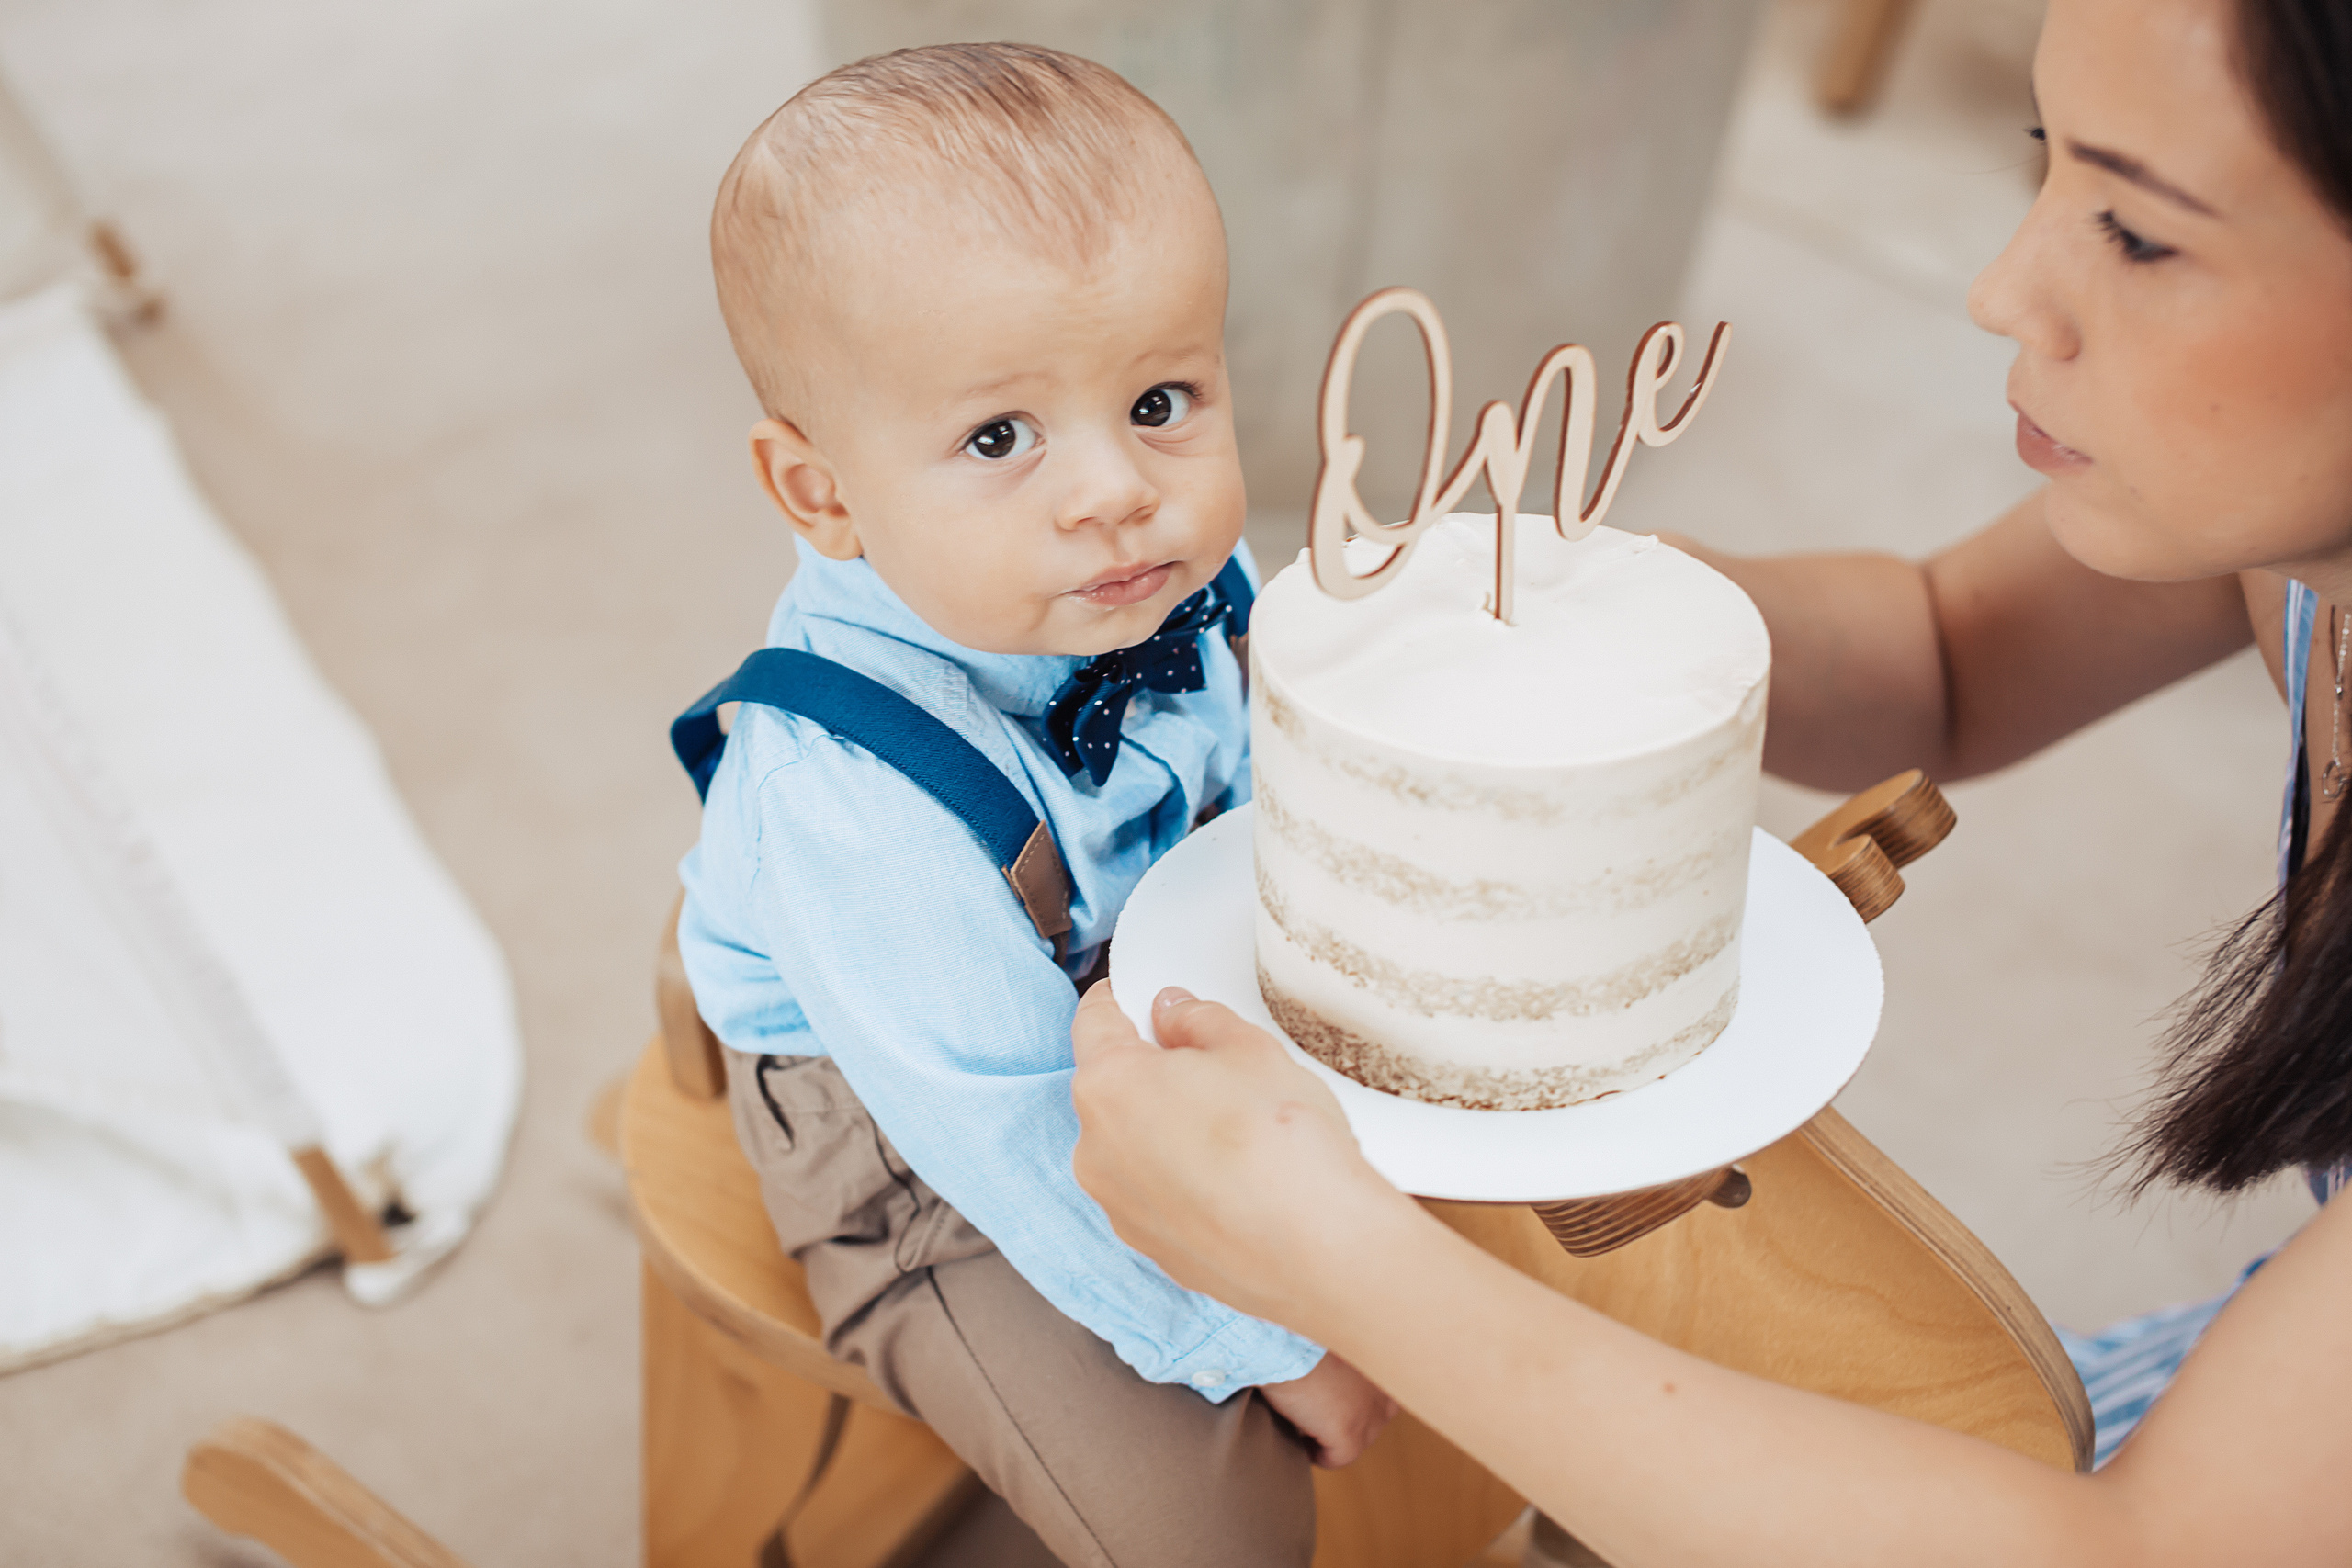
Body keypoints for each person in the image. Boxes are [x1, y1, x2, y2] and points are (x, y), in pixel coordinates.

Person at [1068, 0, 2352, 1560]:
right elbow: (1952, 656)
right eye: (2046, 159)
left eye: (2139, 233)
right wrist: (1557, 601)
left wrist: (1334, 1264)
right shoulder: (2296, 554)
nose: (2004, 287)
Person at [671, 43, 1391, 1568]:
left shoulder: (1159, 573)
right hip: (927, 1147)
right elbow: (1015, 1139)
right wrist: (1263, 1344)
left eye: (1160, 398)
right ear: (822, 496)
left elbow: (1279, 775)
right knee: (1219, 1536)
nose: (1119, 489)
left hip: (1139, 984)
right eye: (1002, 439)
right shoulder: (851, 806)